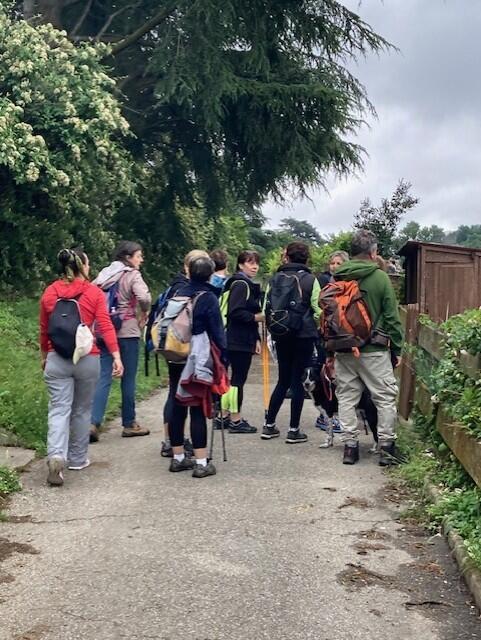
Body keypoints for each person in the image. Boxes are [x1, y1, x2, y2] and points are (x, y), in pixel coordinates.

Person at [40, 249, 123, 486]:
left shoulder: (49, 292)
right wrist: (116, 356)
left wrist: (45, 356)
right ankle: (77, 458)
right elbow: (105, 326)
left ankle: (56, 456)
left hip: (57, 358)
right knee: (81, 410)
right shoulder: (93, 292)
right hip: (87, 357)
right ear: (82, 266)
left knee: (58, 409)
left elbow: (44, 329)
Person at [332, 229, 404, 466]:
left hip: (344, 347)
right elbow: (392, 317)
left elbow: (330, 315)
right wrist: (398, 348)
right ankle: (386, 448)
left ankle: (350, 447)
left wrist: (329, 351)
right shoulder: (380, 277)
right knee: (384, 397)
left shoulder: (338, 277)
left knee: (346, 397)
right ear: (373, 252)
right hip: (374, 349)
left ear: (351, 253)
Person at [168, 255, 227, 478]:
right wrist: (223, 359)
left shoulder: (177, 292)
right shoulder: (208, 297)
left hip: (175, 352)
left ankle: (178, 458)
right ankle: (202, 463)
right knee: (197, 404)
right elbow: (218, 334)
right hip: (197, 355)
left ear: (189, 272)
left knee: (177, 401)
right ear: (211, 274)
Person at [90, 241, 151, 441]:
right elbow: (144, 296)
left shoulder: (104, 274)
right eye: (138, 256)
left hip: (104, 331)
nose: (141, 260)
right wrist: (144, 310)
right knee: (129, 378)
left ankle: (93, 422)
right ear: (128, 257)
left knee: (103, 377)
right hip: (127, 331)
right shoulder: (132, 275)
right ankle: (129, 423)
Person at [262, 242, 321, 443]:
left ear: (287, 257)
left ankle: (269, 425)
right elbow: (318, 308)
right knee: (297, 383)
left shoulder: (274, 279)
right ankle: (293, 430)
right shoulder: (310, 280)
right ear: (306, 258)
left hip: (281, 334)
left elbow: (265, 309)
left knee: (282, 380)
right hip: (303, 335)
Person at [157, 250, 210, 457]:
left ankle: (172, 442)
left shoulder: (174, 288)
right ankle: (174, 442)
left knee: (174, 394)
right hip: (191, 351)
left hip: (173, 349)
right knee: (186, 399)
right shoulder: (196, 292)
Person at [219, 250, 263, 434]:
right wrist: (257, 317)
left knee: (230, 379)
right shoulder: (241, 284)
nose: (254, 266)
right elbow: (235, 312)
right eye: (249, 262)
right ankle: (235, 420)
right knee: (238, 380)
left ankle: (223, 416)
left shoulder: (233, 282)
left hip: (232, 337)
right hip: (238, 339)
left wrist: (257, 338)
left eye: (256, 263)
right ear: (240, 265)